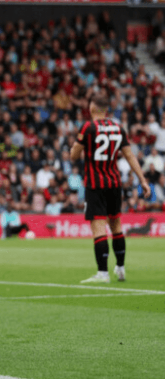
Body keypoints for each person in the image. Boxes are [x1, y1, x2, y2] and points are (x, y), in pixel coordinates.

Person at [70, 94, 150, 284]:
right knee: (116, 226)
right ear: (106, 110)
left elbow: (73, 156)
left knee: (98, 227)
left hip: (95, 184)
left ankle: (102, 273)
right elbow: (130, 156)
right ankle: (121, 268)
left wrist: (79, 148)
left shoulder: (88, 127)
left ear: (91, 107)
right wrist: (143, 180)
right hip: (114, 183)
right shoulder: (118, 128)